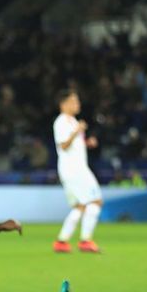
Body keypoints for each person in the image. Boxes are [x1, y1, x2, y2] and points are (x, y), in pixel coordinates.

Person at [52, 90, 102, 253]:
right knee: (95, 201)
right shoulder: (61, 122)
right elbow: (63, 146)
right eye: (74, 101)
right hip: (75, 170)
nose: (77, 104)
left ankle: (61, 241)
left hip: (75, 169)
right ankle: (85, 240)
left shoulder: (72, 121)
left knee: (80, 205)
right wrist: (77, 131)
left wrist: (87, 142)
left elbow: (74, 146)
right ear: (64, 104)